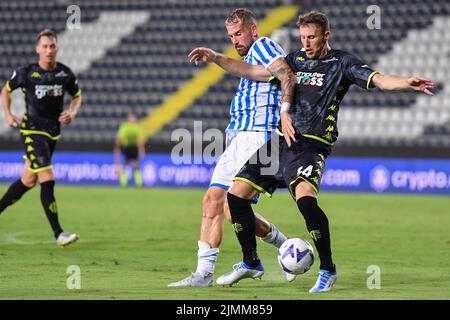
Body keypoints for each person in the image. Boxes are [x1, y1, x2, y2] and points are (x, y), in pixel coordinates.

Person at [217, 11, 436, 292]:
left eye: (312, 37)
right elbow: (254, 72)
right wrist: (216, 58)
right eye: (303, 37)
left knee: (306, 203)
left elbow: (379, 79)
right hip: (282, 143)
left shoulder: (341, 62)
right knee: (235, 197)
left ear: (326, 36)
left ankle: (328, 269)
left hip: (311, 145)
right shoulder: (294, 60)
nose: (306, 43)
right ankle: (251, 262)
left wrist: (407, 82)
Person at [168, 8, 297, 287]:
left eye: (239, 33)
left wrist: (285, 110)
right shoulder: (251, 61)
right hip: (241, 138)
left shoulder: (263, 46)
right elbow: (250, 70)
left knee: (231, 206)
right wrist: (215, 57)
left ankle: (277, 251)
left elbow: (286, 73)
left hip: (260, 136)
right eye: (231, 36)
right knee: (216, 202)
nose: (235, 40)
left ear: (254, 30)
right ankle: (204, 274)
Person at [0, 29, 82, 247]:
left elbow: (77, 95)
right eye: (44, 46)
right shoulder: (27, 72)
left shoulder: (65, 74)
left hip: (53, 132)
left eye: (52, 46)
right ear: (38, 49)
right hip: (32, 130)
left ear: (57, 48)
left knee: (28, 180)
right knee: (47, 177)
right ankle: (59, 234)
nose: (48, 50)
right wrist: (8, 114)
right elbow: (6, 91)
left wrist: (72, 113)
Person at [114, 112, 145, 187]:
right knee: (125, 164)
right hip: (127, 147)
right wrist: (118, 145)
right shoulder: (125, 126)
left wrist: (141, 149)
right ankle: (123, 182)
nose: (132, 119)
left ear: (135, 119)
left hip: (134, 147)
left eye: (133, 118)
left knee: (136, 165)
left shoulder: (137, 127)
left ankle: (139, 183)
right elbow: (119, 136)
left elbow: (140, 140)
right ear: (128, 119)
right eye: (130, 118)